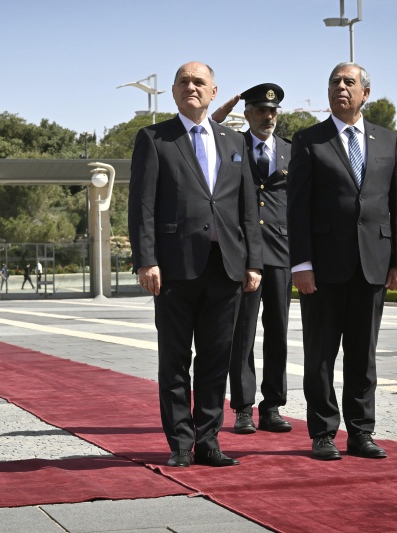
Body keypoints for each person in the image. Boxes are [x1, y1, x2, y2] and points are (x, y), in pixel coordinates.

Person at [128, 61, 263, 468]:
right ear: (173, 91)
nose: (191, 87)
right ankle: (181, 445)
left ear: (214, 91)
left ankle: (208, 442)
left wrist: (253, 261)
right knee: (174, 360)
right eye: (184, 81)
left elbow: (247, 205)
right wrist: (145, 259)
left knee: (215, 360)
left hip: (225, 267)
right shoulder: (155, 139)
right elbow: (142, 205)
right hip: (173, 269)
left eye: (199, 82)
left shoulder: (234, 142)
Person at [287, 62, 397, 460]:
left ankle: (361, 432)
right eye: (334, 82)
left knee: (363, 354)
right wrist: (301, 264)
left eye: (348, 82)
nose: (340, 87)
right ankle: (323, 433)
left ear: (365, 93)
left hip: (373, 265)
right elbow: (297, 209)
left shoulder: (388, 141)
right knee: (321, 355)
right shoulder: (309, 140)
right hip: (322, 270)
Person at [211, 83, 293, 434]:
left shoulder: (292, 151)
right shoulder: (233, 143)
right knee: (242, 334)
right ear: (247, 114)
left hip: (281, 252)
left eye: (273, 111)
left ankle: (272, 406)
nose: (268, 116)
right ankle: (243, 407)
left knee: (278, 331)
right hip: (244, 254)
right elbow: (202, 135)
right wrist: (219, 112)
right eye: (260, 110)